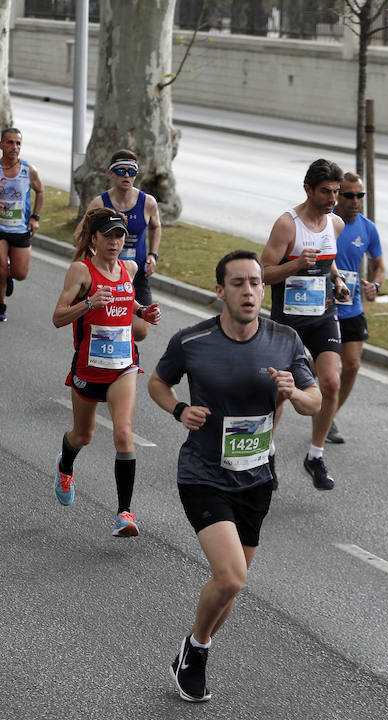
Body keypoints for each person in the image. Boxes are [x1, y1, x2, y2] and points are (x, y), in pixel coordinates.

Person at [148, 249, 320, 703]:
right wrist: (180, 409)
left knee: (233, 582)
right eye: (239, 283)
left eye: (256, 283)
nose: (249, 291)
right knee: (231, 578)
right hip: (203, 473)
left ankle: (193, 645)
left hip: (257, 477)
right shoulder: (192, 340)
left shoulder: (285, 340)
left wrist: (295, 393)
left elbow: (315, 400)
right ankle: (199, 651)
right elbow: (157, 384)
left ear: (264, 288)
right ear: (220, 290)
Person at [52, 208, 161, 535]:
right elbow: (58, 317)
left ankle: (124, 513)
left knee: (123, 432)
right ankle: (65, 465)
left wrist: (145, 311)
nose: (115, 242)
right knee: (82, 435)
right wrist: (88, 303)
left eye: (119, 236)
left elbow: (128, 304)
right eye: (108, 236)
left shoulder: (129, 268)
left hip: (124, 365)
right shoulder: (80, 272)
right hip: (89, 367)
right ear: (94, 238)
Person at [261, 158, 349, 491]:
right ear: (308, 189)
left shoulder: (335, 225)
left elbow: (330, 261)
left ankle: (315, 456)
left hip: (324, 317)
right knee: (280, 392)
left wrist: (337, 281)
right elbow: (264, 274)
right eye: (326, 191)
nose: (332, 199)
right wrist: (297, 263)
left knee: (330, 382)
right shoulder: (288, 225)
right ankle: (267, 452)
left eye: (336, 192)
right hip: (288, 322)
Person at [327, 171, 386, 443]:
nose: (355, 200)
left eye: (359, 195)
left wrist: (376, 285)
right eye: (348, 195)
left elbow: (380, 266)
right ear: (338, 194)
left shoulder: (367, 228)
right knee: (324, 372)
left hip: (352, 308)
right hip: (323, 308)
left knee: (351, 366)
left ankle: (328, 417)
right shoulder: (325, 222)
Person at [87, 149, 162, 342]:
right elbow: (81, 234)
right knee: (107, 322)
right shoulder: (99, 203)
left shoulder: (148, 203)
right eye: (121, 171)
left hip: (136, 274)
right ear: (111, 173)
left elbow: (156, 227)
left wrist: (153, 254)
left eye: (132, 171)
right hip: (107, 275)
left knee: (141, 331)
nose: (127, 175)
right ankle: (119, 359)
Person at [0, 127, 44, 321]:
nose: (14, 147)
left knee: (20, 274)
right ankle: (1, 304)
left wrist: (35, 218)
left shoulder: (29, 171)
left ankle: (8, 275)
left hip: (20, 228)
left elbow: (41, 191)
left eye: (18, 143)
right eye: (10, 142)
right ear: (1, 145)